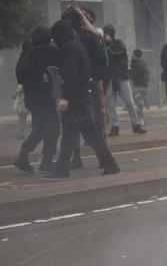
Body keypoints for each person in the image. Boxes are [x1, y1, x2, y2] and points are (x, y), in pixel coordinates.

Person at [43, 20, 119, 179]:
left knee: (70, 134)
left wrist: (65, 97)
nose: (53, 40)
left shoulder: (69, 49)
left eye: (54, 36)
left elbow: (71, 75)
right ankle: (110, 164)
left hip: (74, 98)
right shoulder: (76, 46)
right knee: (91, 135)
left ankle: (61, 169)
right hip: (83, 95)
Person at [13, 26, 60, 173]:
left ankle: (24, 154)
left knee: (40, 128)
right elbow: (60, 62)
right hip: (44, 96)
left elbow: (19, 75)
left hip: (31, 96)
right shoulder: (45, 51)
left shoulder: (27, 52)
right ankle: (46, 161)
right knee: (53, 127)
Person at [129, 49, 150, 125]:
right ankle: (141, 118)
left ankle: (141, 119)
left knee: (137, 103)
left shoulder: (135, 64)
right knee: (139, 102)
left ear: (135, 55)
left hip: (138, 86)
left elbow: (132, 74)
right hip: (144, 86)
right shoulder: (143, 62)